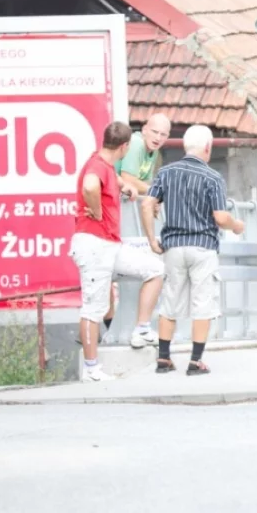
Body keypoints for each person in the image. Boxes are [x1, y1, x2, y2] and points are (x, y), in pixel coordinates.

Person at [140, 125, 245, 375]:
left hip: (173, 247)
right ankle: (195, 361)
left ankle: (164, 359)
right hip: (203, 247)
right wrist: (236, 225)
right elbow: (220, 217)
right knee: (203, 303)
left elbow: (147, 204)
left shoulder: (166, 173)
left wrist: (152, 239)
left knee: (171, 301)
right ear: (207, 148)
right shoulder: (213, 177)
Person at [68, 122, 165, 382]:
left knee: (155, 269)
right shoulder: (97, 166)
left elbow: (112, 176)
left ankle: (142, 329)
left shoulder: (104, 163)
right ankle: (92, 369)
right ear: (124, 147)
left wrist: (126, 186)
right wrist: (96, 210)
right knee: (93, 308)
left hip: (110, 246)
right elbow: (90, 186)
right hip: (94, 246)